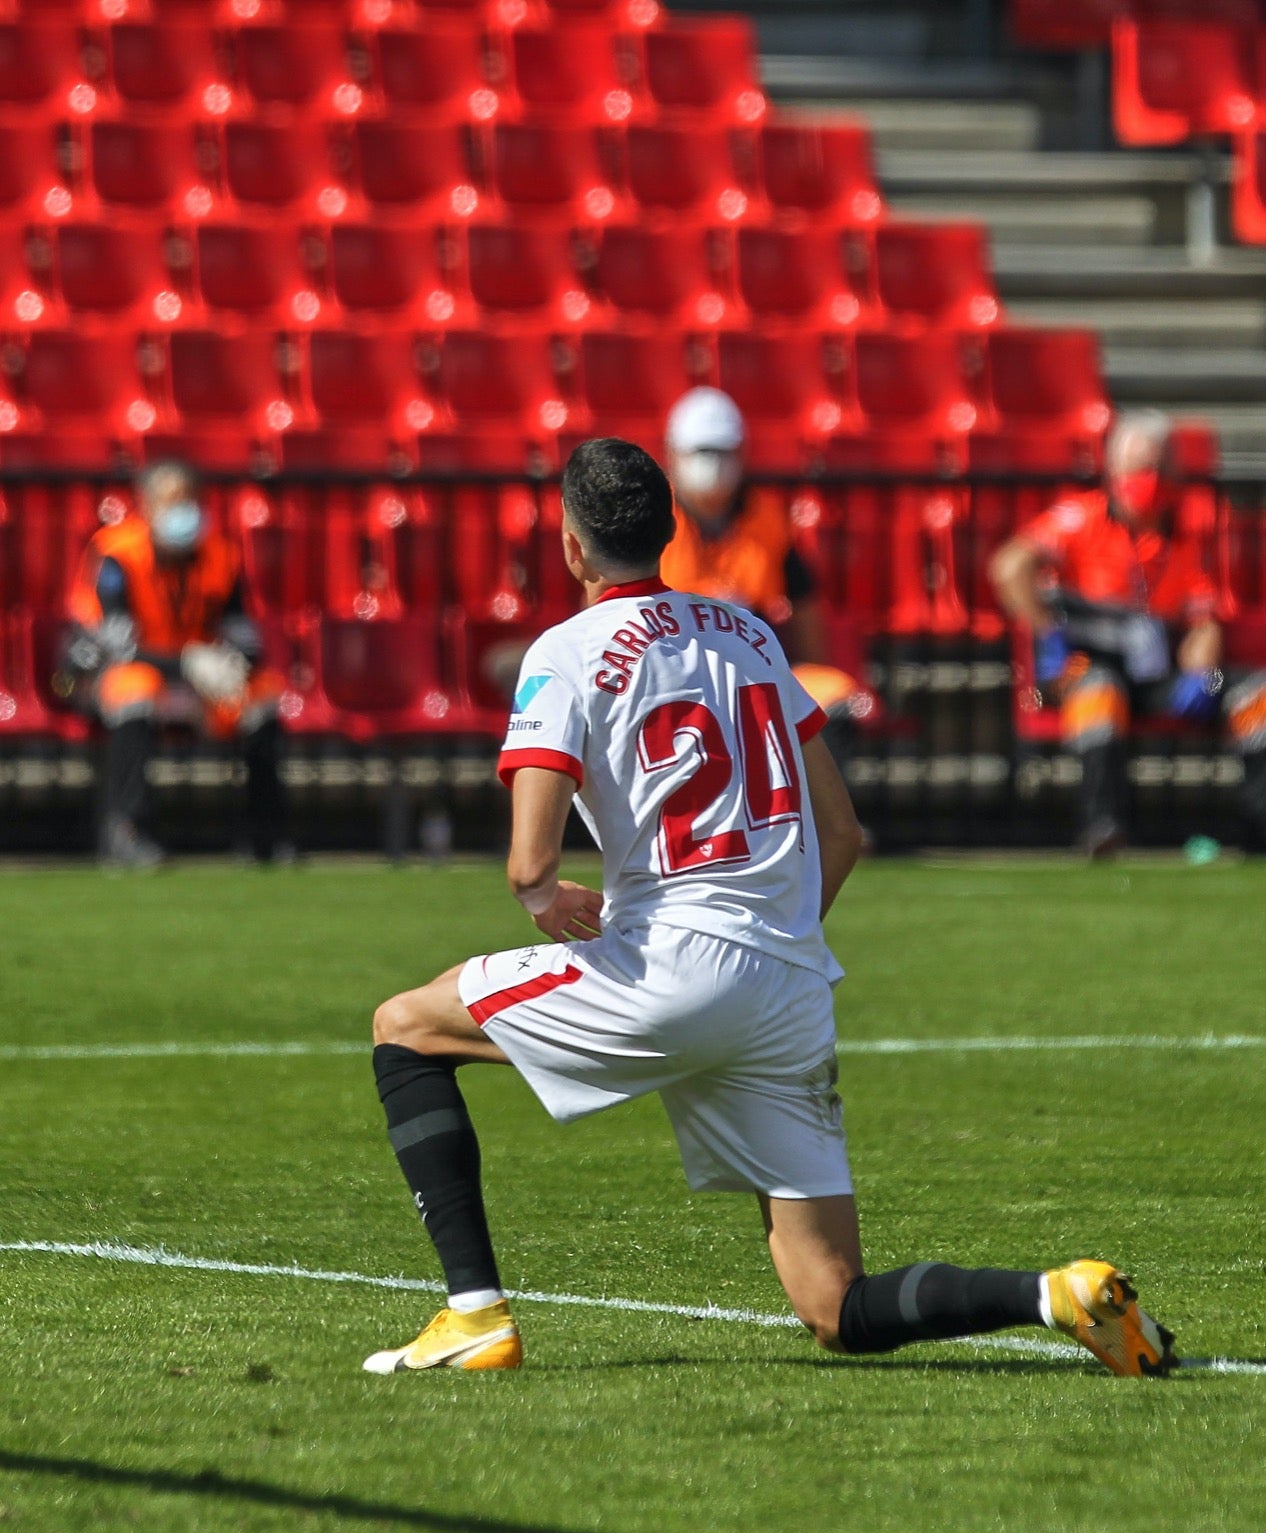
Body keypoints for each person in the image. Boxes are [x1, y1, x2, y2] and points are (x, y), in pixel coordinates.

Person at [365, 438, 1175, 1379]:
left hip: (667, 965)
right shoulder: (749, 635)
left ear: (572, 548)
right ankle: (1055, 1293)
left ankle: (475, 1316)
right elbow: (843, 834)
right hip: (788, 986)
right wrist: (775, 937)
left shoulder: (564, 652)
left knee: (406, 1029)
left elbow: (528, 859)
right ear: (669, 532)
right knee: (833, 1303)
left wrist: (544, 898)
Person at [991, 410, 1266, 856]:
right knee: (1099, 692)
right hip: (1085, 664)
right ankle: (1104, 828)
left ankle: (1259, 831)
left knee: (1257, 693)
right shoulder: (1079, 518)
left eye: (1159, 469)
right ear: (1114, 469)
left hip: (1160, 672)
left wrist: (1202, 674)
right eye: (1140, 468)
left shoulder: (1187, 531)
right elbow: (1009, 567)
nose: (1150, 479)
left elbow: (1204, 618)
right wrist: (1048, 631)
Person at [66, 459, 288, 867]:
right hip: (124, 672)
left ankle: (267, 837)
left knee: (263, 694)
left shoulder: (221, 554)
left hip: (203, 678)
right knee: (134, 690)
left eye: (190, 501)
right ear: (147, 507)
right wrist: (187, 664)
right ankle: (128, 832)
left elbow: (244, 637)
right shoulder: (117, 554)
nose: (183, 512)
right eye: (172, 503)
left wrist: (230, 664)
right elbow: (115, 646)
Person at [660, 387, 878, 778]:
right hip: (673, 670)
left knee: (834, 695)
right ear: (673, 453)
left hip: (755, 668)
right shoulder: (653, 519)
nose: (712, 464)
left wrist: (811, 665)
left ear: (741, 452)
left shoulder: (769, 519)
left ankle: (818, 825)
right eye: (701, 452)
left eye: (722, 452)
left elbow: (804, 600)